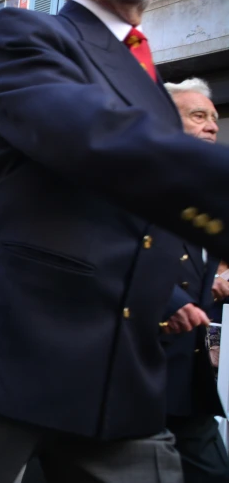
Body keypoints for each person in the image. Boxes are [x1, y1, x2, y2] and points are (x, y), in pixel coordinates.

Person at [0, 0, 229, 482]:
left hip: (121, 371)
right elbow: (94, 136)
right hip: (9, 349)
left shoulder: (151, 82)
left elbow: (139, 224)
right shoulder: (29, 34)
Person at [161, 77, 229, 482]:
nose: (212, 126)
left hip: (189, 379)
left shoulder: (210, 193)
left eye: (215, 119)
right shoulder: (135, 183)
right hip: (135, 368)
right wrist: (170, 302)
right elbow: (109, 255)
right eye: (198, 116)